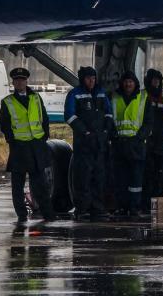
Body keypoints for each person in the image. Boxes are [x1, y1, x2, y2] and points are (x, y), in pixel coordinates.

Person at [0, 67, 56, 223]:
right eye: (17, 80)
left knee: (41, 185)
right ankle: (22, 215)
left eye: (22, 80)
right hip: (19, 148)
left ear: (26, 81)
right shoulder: (7, 102)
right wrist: (12, 141)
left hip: (36, 147)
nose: (19, 82)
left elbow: (44, 118)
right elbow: (5, 125)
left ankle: (48, 214)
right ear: (13, 83)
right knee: (17, 186)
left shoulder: (36, 98)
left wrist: (44, 137)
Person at [64, 65, 113, 220]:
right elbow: (70, 116)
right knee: (83, 177)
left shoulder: (101, 93)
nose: (91, 81)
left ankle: (97, 208)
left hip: (99, 143)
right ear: (82, 79)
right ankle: (82, 209)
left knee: (99, 177)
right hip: (84, 144)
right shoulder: (75, 94)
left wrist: (106, 131)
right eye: (88, 78)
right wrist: (84, 132)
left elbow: (109, 113)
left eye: (93, 78)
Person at [110, 71, 148, 217]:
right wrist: (114, 136)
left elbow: (148, 122)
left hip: (136, 145)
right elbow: (109, 118)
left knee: (136, 180)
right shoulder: (114, 97)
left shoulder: (143, 98)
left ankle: (134, 207)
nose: (128, 84)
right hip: (119, 145)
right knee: (120, 179)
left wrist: (139, 137)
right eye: (125, 81)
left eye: (130, 81)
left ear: (135, 83)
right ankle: (122, 207)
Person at [142, 68, 163, 210]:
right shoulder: (143, 96)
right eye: (153, 80)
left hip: (162, 142)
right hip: (146, 142)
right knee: (147, 174)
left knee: (160, 174)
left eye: (158, 80)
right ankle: (146, 203)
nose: (156, 82)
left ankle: (157, 203)